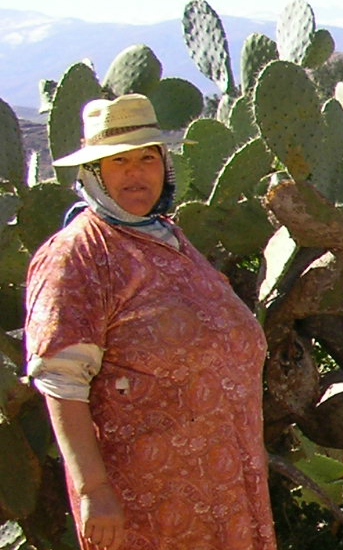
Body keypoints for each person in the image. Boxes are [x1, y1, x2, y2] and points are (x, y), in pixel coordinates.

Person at [24, 94, 276, 550]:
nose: (136, 173)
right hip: (144, 500)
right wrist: (93, 492)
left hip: (227, 488)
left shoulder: (170, 237)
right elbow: (61, 379)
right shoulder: (80, 254)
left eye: (147, 158)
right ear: (93, 173)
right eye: (118, 161)